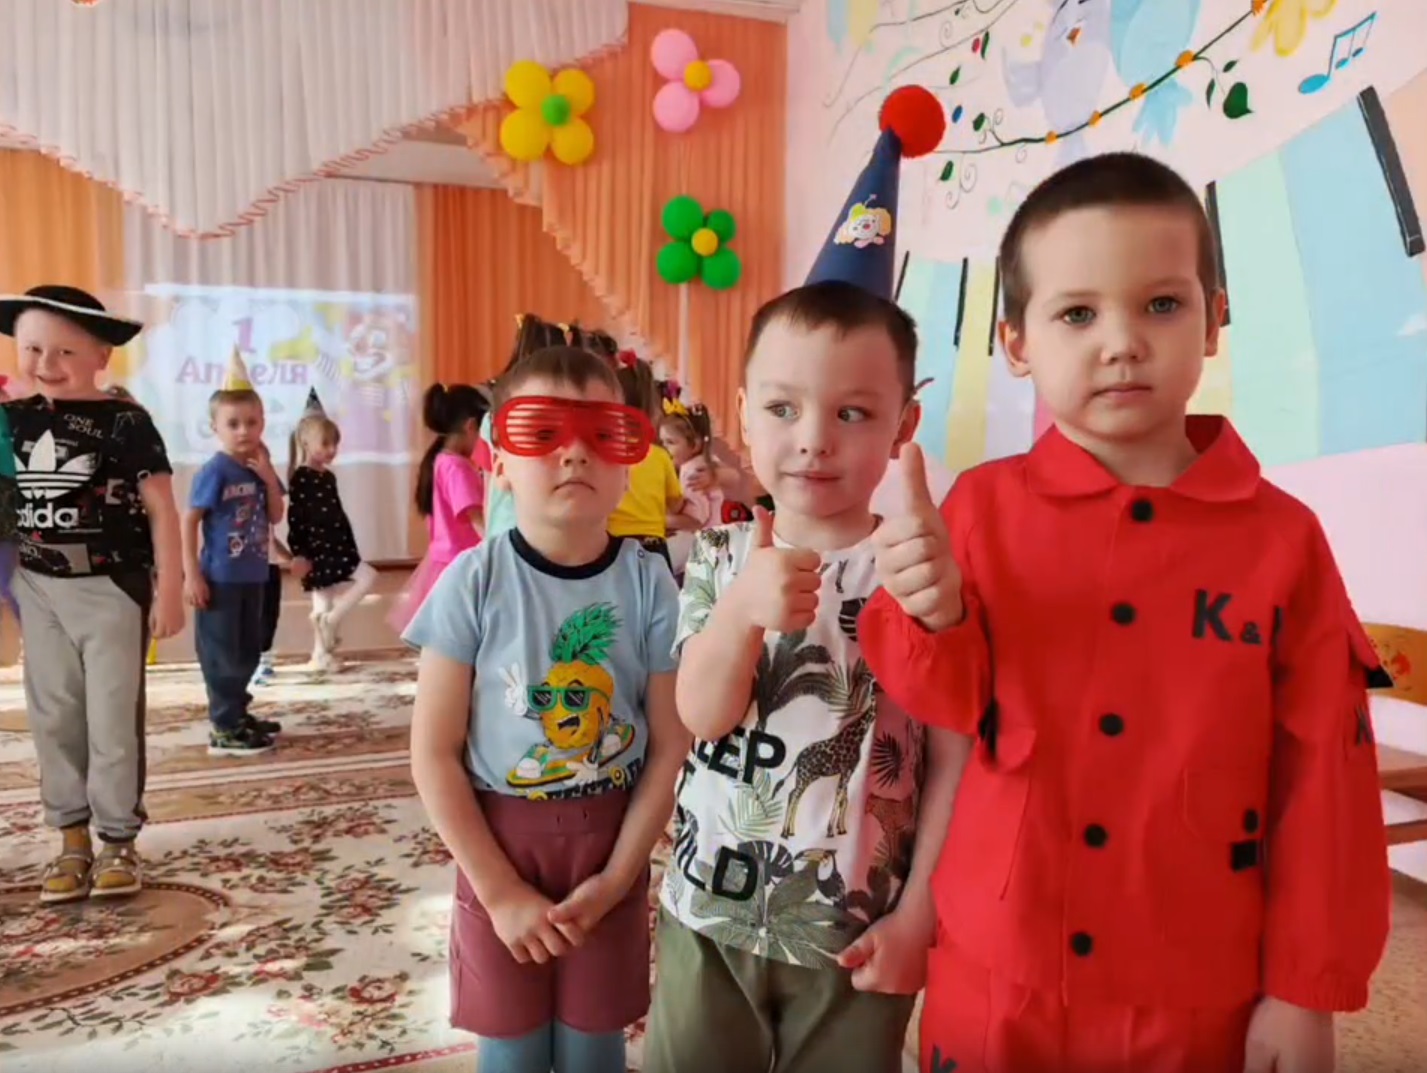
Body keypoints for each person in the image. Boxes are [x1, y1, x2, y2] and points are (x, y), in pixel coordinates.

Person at [857, 152, 1392, 1073]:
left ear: (1213, 320)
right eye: (1077, 313)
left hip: (1195, 988)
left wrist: (1306, 989)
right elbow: (941, 705)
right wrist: (928, 614)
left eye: (1160, 304)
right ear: (1016, 342)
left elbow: (1325, 782)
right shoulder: (978, 510)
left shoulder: (1283, 542)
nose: (1121, 342)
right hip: (999, 971)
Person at [643, 83, 959, 1073]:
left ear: (903, 423)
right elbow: (699, 714)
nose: (813, 438)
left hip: (854, 927)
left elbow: (953, 755)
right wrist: (741, 610)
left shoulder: (919, 568)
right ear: (742, 411)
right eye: (782, 408)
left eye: (852, 412)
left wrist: (920, 911)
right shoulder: (721, 555)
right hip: (707, 907)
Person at [404, 345, 686, 1073]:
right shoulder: (472, 581)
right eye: (543, 430)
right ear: (498, 460)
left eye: (603, 433)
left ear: (630, 462)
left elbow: (669, 746)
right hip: (498, 845)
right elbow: (433, 752)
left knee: (595, 1046)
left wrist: (619, 877)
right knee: (512, 1048)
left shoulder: (651, 584)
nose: (575, 453)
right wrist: (498, 890)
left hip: (610, 846)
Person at [0, 284, 185, 903]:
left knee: (112, 718)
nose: (46, 364)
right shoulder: (12, 420)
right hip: (38, 587)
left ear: (102, 356)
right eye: (33, 349)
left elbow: (161, 507)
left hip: (112, 587)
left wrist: (171, 586)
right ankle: (71, 837)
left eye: (65, 352)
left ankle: (117, 840)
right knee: (53, 716)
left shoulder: (127, 422)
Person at [183, 349, 285, 757]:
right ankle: (224, 728)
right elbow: (189, 520)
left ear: (263, 422)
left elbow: (276, 515)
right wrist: (192, 574)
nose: (244, 431)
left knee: (247, 650)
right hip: (221, 577)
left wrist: (268, 478)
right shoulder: (215, 471)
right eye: (233, 424)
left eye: (252, 422)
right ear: (215, 427)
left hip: (254, 575)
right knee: (222, 652)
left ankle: (238, 713)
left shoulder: (260, 467)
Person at [287, 388, 378, 670]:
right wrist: (299, 552)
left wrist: (349, 544)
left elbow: (337, 514)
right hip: (319, 549)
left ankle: (324, 644)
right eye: (325, 444)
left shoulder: (328, 477)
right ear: (305, 442)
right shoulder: (301, 477)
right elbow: (296, 518)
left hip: (338, 545)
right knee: (326, 599)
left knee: (352, 585)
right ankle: (326, 639)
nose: (331, 450)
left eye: (334, 444)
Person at [388, 383, 489, 634]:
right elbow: (476, 519)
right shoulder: (457, 467)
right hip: (460, 564)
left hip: (444, 560)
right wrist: (498, 549)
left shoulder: (441, 460)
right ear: (470, 426)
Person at [607, 354, 689, 570]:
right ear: (653, 409)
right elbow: (675, 503)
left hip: (611, 547)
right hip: (653, 547)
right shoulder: (660, 456)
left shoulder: (605, 455)